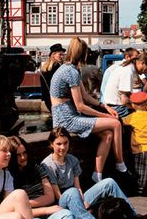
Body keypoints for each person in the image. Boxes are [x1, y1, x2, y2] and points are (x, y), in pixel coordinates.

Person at [50, 38, 127, 182]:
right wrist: (105, 116)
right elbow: (80, 105)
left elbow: (85, 96)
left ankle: (97, 175)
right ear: (83, 54)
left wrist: (105, 107)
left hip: (66, 115)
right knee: (115, 124)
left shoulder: (71, 69)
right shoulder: (71, 72)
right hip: (66, 119)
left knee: (107, 134)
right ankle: (120, 164)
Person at [41, 127, 134, 219]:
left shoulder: (72, 160)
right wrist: (78, 201)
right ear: (51, 144)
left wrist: (82, 201)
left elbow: (78, 187)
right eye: (59, 144)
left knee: (109, 182)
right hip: (61, 203)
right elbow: (58, 194)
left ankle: (132, 215)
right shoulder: (48, 165)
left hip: (76, 196)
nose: (63, 147)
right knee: (71, 192)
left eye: (65, 143)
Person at [7, 136, 76, 219]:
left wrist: (24, 205)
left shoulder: (36, 167)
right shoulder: (8, 176)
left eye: (24, 153)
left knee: (67, 215)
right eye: (18, 155)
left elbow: (50, 197)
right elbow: (14, 212)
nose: (23, 158)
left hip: (49, 212)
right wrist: (41, 209)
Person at [122, 92, 147, 196]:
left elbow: (122, 122)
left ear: (133, 105)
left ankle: (141, 188)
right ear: (146, 104)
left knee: (141, 169)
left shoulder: (132, 117)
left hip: (140, 148)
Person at [102, 52, 147, 118]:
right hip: (118, 108)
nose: (146, 72)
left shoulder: (129, 68)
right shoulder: (128, 71)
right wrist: (144, 107)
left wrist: (142, 103)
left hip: (116, 106)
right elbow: (124, 101)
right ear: (142, 63)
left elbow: (128, 96)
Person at [40, 43, 66, 112]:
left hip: (48, 100)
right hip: (58, 100)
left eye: (63, 54)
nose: (62, 56)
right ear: (53, 55)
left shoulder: (45, 69)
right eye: (60, 54)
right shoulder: (58, 68)